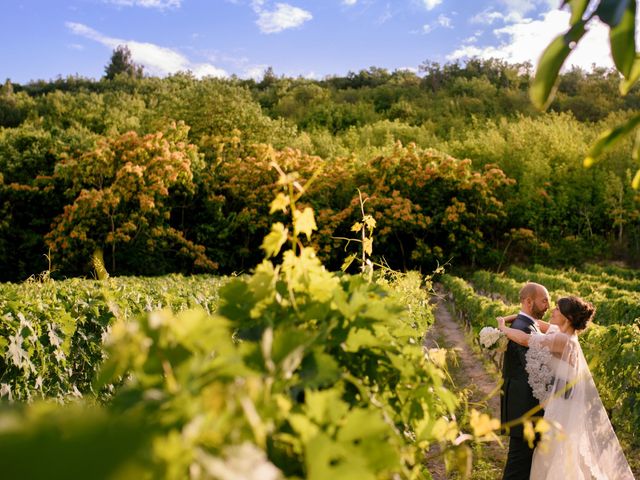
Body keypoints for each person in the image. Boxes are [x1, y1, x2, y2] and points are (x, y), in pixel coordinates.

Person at [497, 296, 634, 479]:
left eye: (557, 310)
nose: (552, 311)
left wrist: (502, 328)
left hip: (562, 406)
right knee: (553, 452)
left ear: (567, 318)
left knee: (554, 454)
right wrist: (511, 317)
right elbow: (536, 322)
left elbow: (523, 339)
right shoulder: (562, 332)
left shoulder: (563, 340)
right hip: (561, 403)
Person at [500, 282, 551, 479]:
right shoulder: (523, 328)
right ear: (529, 302)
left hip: (524, 406)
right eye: (544, 300)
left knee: (523, 465)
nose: (548, 304)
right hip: (525, 409)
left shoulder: (526, 324)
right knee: (518, 467)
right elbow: (536, 371)